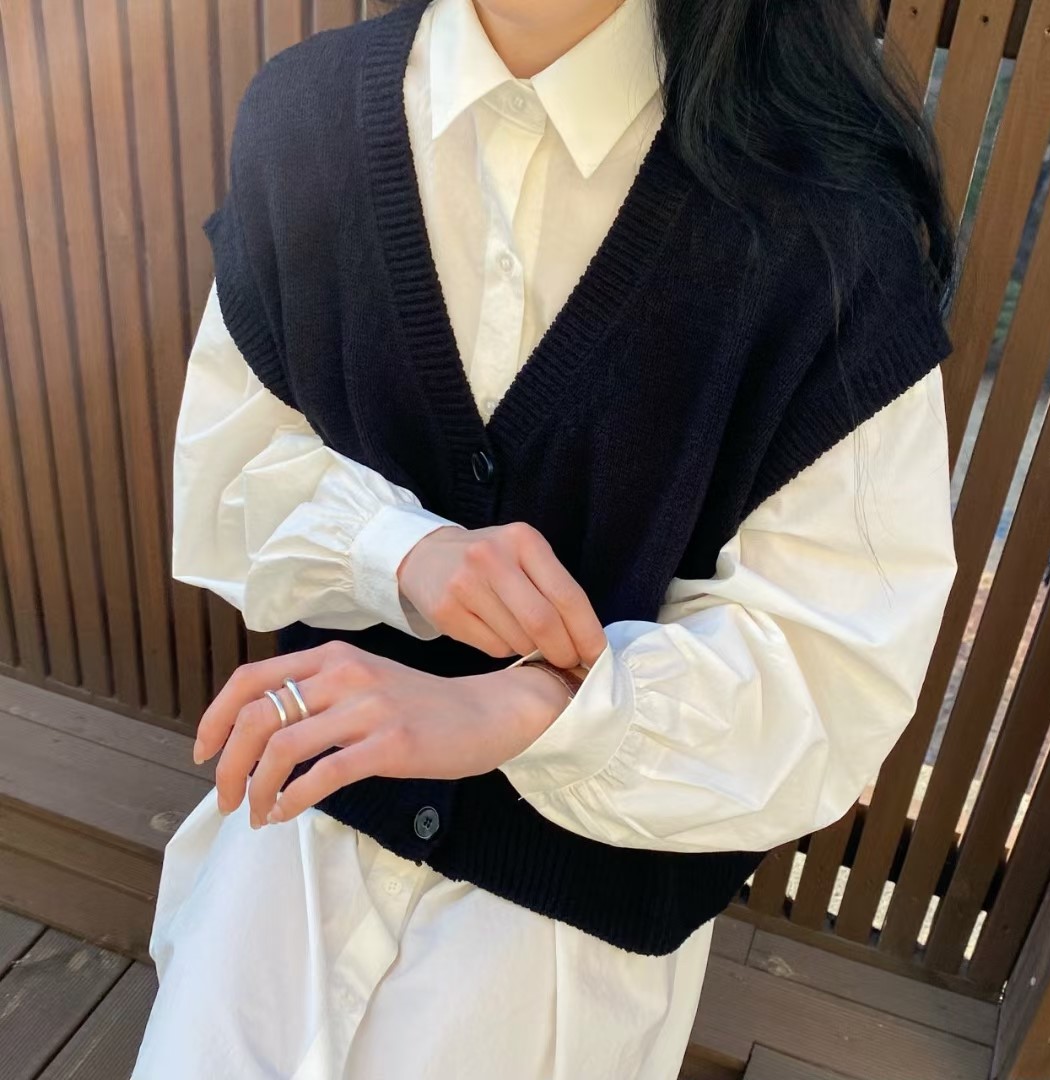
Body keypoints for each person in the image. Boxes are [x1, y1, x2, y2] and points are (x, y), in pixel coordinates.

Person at [132, 0, 960, 1076]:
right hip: (303, 821)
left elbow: (829, 674)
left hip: (582, 910)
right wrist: (402, 554)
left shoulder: (828, 231)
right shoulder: (306, 119)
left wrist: (535, 706)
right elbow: (234, 465)